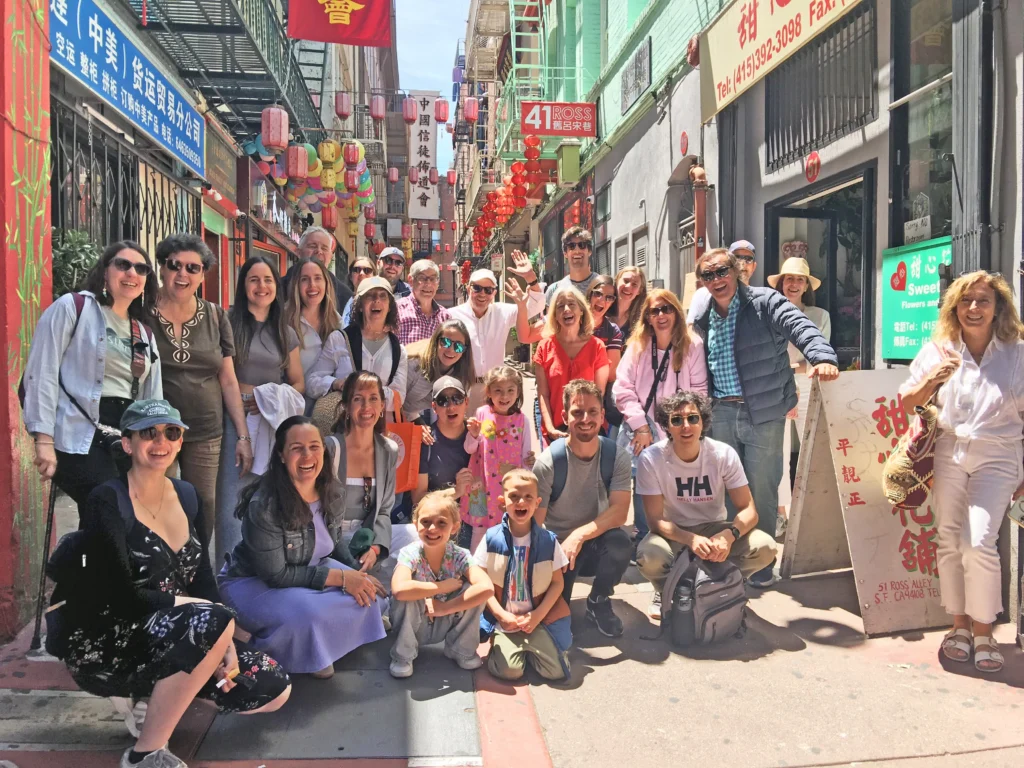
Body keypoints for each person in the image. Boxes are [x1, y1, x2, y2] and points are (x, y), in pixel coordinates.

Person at [56, 400, 290, 768]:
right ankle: (144, 754)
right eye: (148, 433)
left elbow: (203, 581)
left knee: (274, 686)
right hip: (109, 638)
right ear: (129, 444)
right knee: (213, 620)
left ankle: (169, 691)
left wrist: (222, 643)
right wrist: (211, 619)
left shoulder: (186, 495)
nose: (160, 441)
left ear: (180, 442)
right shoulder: (107, 500)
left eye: (171, 432)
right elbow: (122, 597)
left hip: (178, 631)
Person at [899, 271, 1024, 674]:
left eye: (983, 300)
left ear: (998, 307)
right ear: (955, 307)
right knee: (949, 539)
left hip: (998, 453)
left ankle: (985, 631)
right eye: (966, 301)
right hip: (949, 449)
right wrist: (934, 380)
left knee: (978, 541)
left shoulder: (1016, 353)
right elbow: (906, 401)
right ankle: (960, 627)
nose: (974, 308)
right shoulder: (939, 350)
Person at [690, 248, 838, 588]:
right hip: (721, 411)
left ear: (737, 271)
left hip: (764, 411)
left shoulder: (765, 301)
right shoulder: (704, 315)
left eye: (722, 271)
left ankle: (760, 563)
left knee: (762, 487)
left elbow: (800, 325)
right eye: (709, 275)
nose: (717, 280)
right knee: (727, 490)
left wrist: (821, 357)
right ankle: (730, 559)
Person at [219, 416, 387, 679]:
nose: (307, 455)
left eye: (314, 446)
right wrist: (344, 578)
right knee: (308, 616)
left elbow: (333, 542)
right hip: (255, 581)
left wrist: (358, 574)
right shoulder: (264, 505)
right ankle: (254, 641)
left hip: (309, 566)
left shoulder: (332, 491)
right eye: (297, 448)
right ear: (282, 456)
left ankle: (318, 644)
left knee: (367, 597)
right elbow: (276, 575)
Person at [24, 241, 162, 518]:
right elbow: (42, 372)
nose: (132, 273)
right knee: (110, 507)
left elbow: (152, 399)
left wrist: (154, 446)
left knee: (107, 522)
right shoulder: (72, 308)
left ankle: (78, 562)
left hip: (124, 440)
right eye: (123, 265)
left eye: (141, 268)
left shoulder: (144, 333)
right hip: (77, 434)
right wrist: (43, 440)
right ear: (105, 271)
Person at [635, 392, 778, 619]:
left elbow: (749, 510)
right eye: (676, 420)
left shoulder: (722, 454)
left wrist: (729, 535)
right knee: (651, 556)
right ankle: (666, 590)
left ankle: (726, 586)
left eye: (693, 418)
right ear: (666, 426)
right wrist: (690, 539)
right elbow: (655, 520)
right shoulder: (652, 458)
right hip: (674, 532)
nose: (686, 426)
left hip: (715, 527)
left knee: (766, 547)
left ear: (703, 422)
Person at [150, 234, 251, 539]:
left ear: (203, 274)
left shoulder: (216, 316)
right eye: (175, 265)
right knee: (156, 500)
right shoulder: (142, 313)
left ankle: (195, 573)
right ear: (162, 268)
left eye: (193, 268)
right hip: (155, 430)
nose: (183, 274)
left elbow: (228, 379)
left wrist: (243, 435)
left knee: (202, 504)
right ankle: (156, 572)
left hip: (206, 429)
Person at [218, 255, 304, 564]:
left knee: (264, 503)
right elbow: (223, 376)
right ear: (243, 285)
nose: (261, 286)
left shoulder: (285, 331)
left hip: (271, 422)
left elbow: (298, 384)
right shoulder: (226, 323)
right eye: (253, 279)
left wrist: (270, 396)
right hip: (232, 419)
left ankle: (262, 572)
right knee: (231, 504)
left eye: (267, 279)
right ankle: (227, 575)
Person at [533, 380, 632, 637]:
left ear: (602, 416)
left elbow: (620, 512)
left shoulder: (616, 456)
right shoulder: (548, 463)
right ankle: (557, 599)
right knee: (558, 626)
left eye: (592, 412)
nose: (585, 419)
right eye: (577, 412)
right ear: (565, 417)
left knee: (621, 543)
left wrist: (579, 535)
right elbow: (534, 526)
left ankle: (598, 600)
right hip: (559, 550)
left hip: (594, 541)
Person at [613, 290, 707, 548]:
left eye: (667, 309)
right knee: (643, 485)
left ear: (676, 311)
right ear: (647, 317)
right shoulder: (638, 345)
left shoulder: (692, 344)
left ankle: (677, 539)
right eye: (655, 311)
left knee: (677, 485)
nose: (661, 315)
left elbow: (699, 389)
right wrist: (641, 426)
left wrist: (684, 424)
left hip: (679, 427)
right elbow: (622, 387)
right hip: (641, 427)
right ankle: (646, 541)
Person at [475, 468, 572, 682]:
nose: (521, 502)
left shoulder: (548, 541)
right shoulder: (491, 539)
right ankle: (504, 646)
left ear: (537, 503)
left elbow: (557, 583)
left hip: (538, 618)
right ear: (503, 501)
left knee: (555, 673)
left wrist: (537, 616)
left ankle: (531, 648)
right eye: (514, 496)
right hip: (505, 618)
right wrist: (500, 615)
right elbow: (481, 583)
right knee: (509, 672)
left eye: (528, 497)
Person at [389, 489, 494, 679]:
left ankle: (460, 649)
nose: (432, 529)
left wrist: (444, 608)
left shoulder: (459, 555)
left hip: (445, 621)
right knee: (410, 593)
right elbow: (399, 589)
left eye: (441, 523)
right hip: (414, 625)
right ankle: (403, 655)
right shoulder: (409, 553)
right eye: (426, 522)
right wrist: (441, 587)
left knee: (472, 590)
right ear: (415, 524)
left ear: (454, 527)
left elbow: (486, 587)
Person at [767, 254, 831, 532]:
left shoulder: (820, 316)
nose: (793, 284)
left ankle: (810, 513)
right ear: (781, 283)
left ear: (807, 286)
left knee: (811, 450)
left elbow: (818, 356)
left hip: (807, 385)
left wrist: (794, 373)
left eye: (799, 279)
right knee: (776, 453)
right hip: (775, 386)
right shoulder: (767, 312)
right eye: (789, 278)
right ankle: (781, 514)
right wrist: (787, 378)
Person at [326, 371, 400, 575]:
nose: (367, 407)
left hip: (368, 537)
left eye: (373, 399)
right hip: (331, 538)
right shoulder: (330, 448)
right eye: (358, 399)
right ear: (347, 407)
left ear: (382, 406)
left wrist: (376, 548)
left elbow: (384, 510)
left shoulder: (389, 450)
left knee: (415, 543)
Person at [449, 256, 545, 408]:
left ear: (494, 293)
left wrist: (531, 278)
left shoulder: (503, 312)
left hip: (495, 390)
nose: (482, 294)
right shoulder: (451, 316)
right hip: (463, 387)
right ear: (468, 289)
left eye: (488, 290)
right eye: (477, 288)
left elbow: (535, 307)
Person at [307, 276, 408, 420]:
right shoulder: (339, 339)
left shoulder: (399, 350)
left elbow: (398, 398)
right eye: (370, 296)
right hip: (343, 430)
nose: (376, 300)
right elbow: (312, 383)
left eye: (382, 296)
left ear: (390, 305)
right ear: (360, 305)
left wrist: (359, 390)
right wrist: (336, 383)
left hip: (382, 434)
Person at [462, 366, 535, 550]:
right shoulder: (481, 413)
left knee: (508, 526)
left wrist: (525, 483)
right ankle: (475, 571)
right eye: (498, 391)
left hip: (508, 488)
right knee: (479, 530)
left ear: (518, 392)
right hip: (481, 484)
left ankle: (504, 568)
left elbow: (527, 458)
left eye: (510, 390)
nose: (504, 396)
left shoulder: (522, 421)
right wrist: (473, 434)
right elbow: (469, 449)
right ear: (488, 392)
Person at [534, 286, 609, 441]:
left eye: (571, 304)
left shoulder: (597, 347)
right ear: (555, 315)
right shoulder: (544, 347)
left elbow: (599, 395)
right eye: (560, 306)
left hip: (588, 428)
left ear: (581, 310)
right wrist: (550, 428)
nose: (566, 309)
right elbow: (543, 394)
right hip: (555, 431)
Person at [413, 376, 473, 505]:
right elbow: (418, 498)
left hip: (476, 521)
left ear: (466, 402)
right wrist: (456, 491)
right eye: (443, 401)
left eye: (457, 399)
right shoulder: (425, 442)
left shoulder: (477, 437)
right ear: (434, 407)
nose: (451, 407)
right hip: (439, 520)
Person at [403, 319, 476, 423]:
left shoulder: (463, 376)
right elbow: (394, 400)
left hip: (411, 414)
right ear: (436, 341)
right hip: (390, 413)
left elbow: (457, 413)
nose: (451, 350)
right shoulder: (413, 364)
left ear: (465, 350)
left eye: (458, 346)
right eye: (445, 342)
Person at [281, 225, 353, 312]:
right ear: (299, 252)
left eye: (324, 248)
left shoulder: (344, 295)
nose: (319, 251)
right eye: (312, 246)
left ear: (330, 257)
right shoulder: (279, 287)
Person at [687, 240, 759, 323]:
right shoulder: (702, 295)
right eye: (737, 257)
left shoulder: (760, 299)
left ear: (754, 266)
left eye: (748, 259)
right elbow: (691, 329)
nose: (742, 263)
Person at [397, 259, 450, 345]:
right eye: (422, 278)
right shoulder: (397, 310)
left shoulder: (445, 316)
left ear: (438, 283)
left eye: (433, 279)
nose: (428, 284)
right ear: (411, 280)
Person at [544, 227, 600, 305]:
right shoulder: (554, 291)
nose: (577, 251)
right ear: (565, 253)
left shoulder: (602, 286)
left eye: (582, 245)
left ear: (589, 251)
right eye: (571, 246)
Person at [611, 266, 647, 339]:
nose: (628, 286)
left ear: (639, 291)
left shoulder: (641, 320)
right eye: (626, 281)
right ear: (617, 281)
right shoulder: (602, 310)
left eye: (634, 284)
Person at [341, 256, 377, 327]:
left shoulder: (378, 303)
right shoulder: (342, 300)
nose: (362, 273)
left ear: (374, 276)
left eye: (367, 270)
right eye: (357, 270)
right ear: (351, 276)